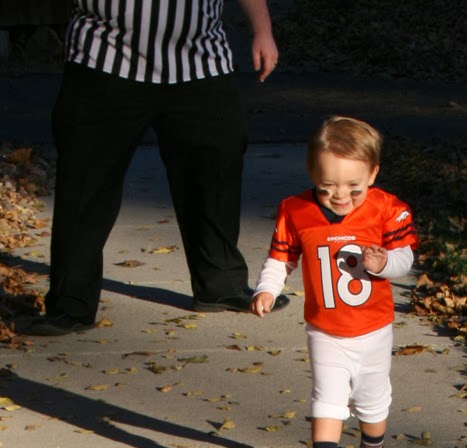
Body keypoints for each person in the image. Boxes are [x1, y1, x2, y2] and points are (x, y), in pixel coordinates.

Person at [30, 0, 289, 336]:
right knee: (85, 185)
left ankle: (220, 284)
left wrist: (263, 31)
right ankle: (70, 303)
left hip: (200, 62)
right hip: (104, 59)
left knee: (214, 174)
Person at [251, 116, 419, 448]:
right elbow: (282, 257)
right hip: (325, 328)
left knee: (373, 401)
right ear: (312, 173)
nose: (341, 196)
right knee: (327, 396)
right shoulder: (296, 211)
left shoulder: (387, 209)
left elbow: (405, 257)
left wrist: (384, 264)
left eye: (353, 188)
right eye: (327, 187)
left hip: (373, 328)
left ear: (373, 174)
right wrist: (267, 288)